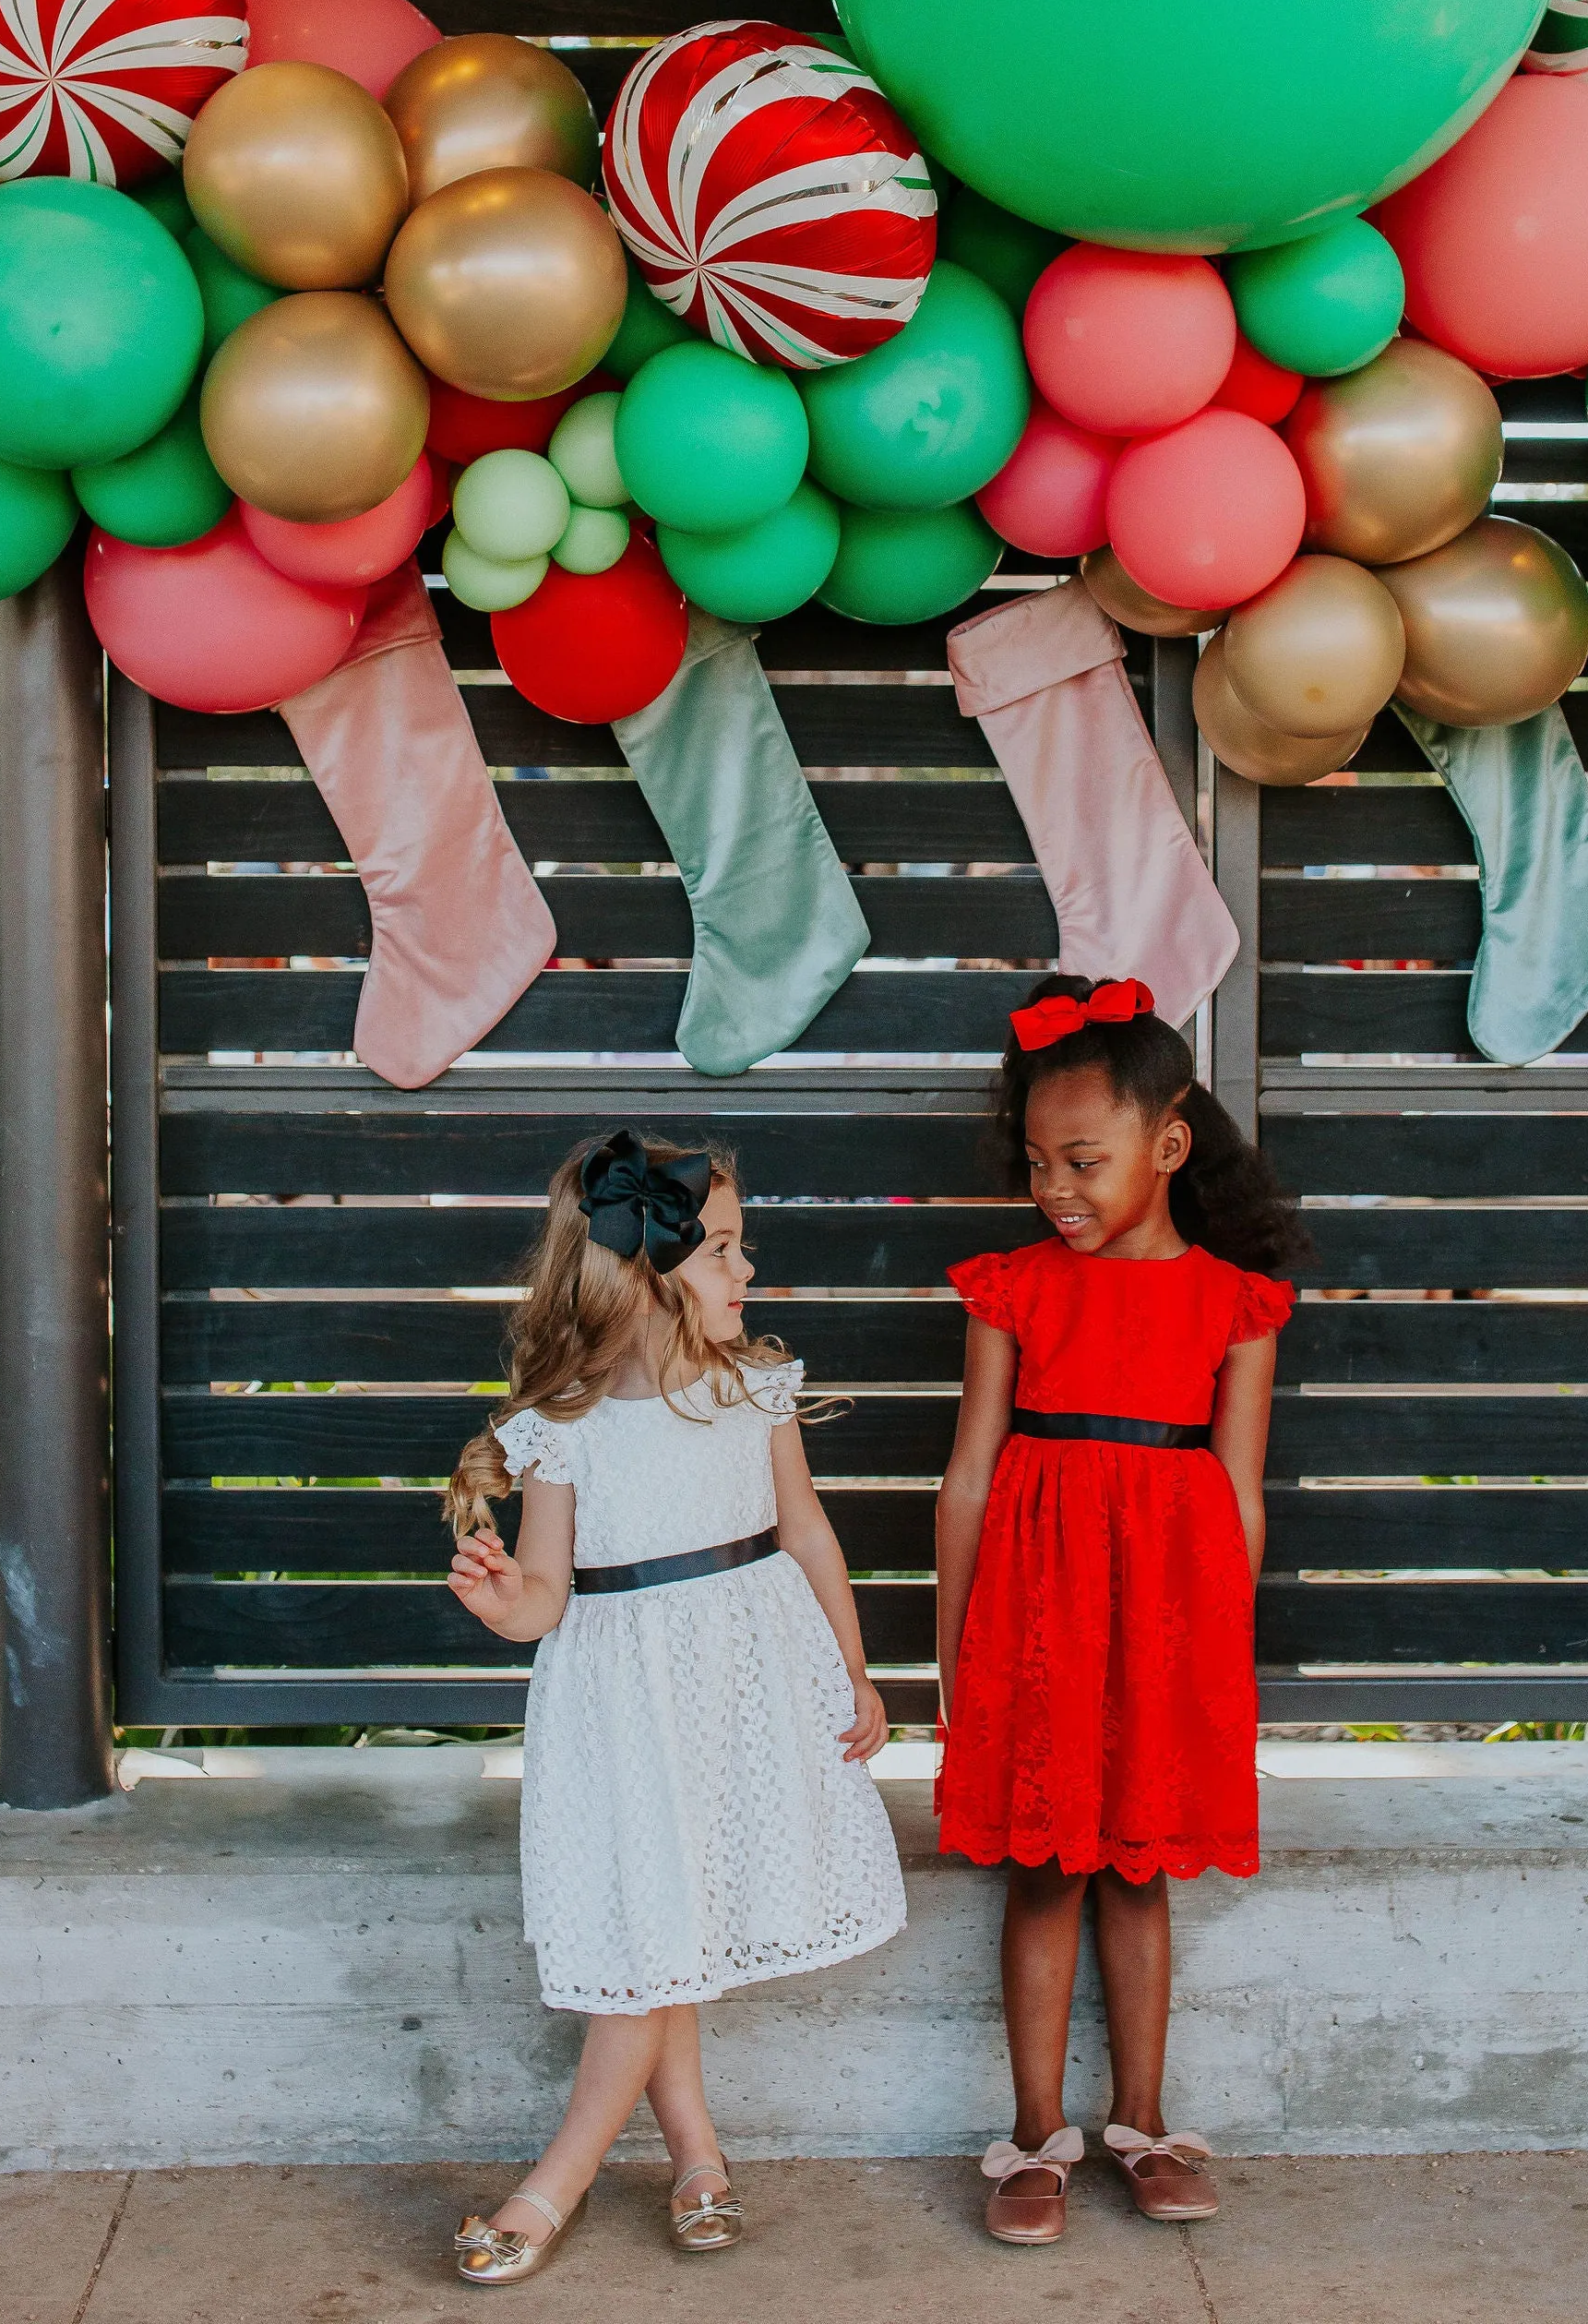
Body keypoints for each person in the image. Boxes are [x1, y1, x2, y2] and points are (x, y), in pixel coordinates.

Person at [441, 1130, 904, 2287]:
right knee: (653, 1939)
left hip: (736, 1692)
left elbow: (803, 1531)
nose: (747, 1273)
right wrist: (504, 1605)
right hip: (623, 1708)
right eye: (725, 1250)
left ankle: (655, 2161)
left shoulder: (752, 1388)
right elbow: (548, 1595)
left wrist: (853, 1672)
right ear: (648, 1270)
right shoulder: (567, 1424)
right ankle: (594, 2172)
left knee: (670, 1927)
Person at [935, 976, 1311, 2246]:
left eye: (1084, 1161)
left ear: (1168, 1144)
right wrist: (954, 1646)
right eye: (1039, 1162)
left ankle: (1142, 2124)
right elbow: (973, 1472)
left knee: (1139, 1876)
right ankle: (1035, 2136)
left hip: (1167, 1624)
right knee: (1043, 1873)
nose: (1056, 1189)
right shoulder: (1011, 1287)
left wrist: (1220, 1655)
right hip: (1036, 1616)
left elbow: (1239, 1496)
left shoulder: (1235, 1302)